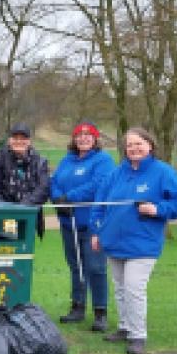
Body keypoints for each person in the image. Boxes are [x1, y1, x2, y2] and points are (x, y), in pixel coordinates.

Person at [90, 127, 177, 354]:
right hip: (113, 242)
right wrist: (96, 232)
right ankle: (125, 327)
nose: (134, 148)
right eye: (129, 145)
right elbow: (99, 204)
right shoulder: (116, 174)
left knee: (134, 288)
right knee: (120, 288)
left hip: (143, 244)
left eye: (139, 144)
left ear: (150, 145)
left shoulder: (162, 172)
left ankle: (138, 336)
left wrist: (158, 209)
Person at [50, 121, 116, 332]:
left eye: (88, 135)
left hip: (92, 223)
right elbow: (55, 181)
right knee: (75, 266)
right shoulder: (67, 160)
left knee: (95, 267)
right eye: (79, 135)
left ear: (96, 138)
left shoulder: (103, 160)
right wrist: (57, 198)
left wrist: (69, 198)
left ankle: (100, 312)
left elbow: (99, 185)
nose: (83, 138)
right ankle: (77, 307)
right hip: (68, 222)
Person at [0, 123, 51, 239]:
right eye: (15, 138)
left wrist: (22, 208)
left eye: (23, 138)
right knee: (5, 251)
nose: (19, 141)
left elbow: (43, 189)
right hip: (3, 216)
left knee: (24, 253)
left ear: (29, 141)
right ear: (9, 140)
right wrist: (9, 212)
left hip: (29, 216)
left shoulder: (40, 161)